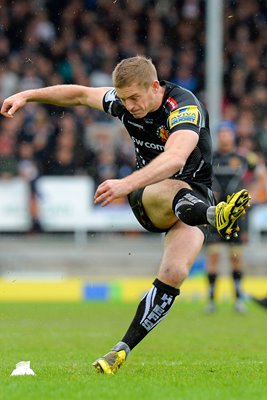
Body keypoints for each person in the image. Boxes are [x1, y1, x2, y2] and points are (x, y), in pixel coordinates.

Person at [0, 56, 250, 375]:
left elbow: (175, 157)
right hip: (148, 194)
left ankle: (120, 350)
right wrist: (27, 95)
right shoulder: (122, 101)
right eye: (123, 99)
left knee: (174, 272)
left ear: (154, 87)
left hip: (191, 197)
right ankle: (214, 215)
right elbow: (79, 94)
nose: (129, 106)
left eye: (134, 97)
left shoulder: (184, 107)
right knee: (171, 188)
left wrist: (123, 182)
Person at [204, 122, 252, 314]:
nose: (224, 136)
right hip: (215, 213)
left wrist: (253, 193)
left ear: (232, 135)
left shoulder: (243, 158)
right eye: (221, 133)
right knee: (213, 256)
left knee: (236, 257)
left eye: (227, 133)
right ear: (219, 136)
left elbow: (260, 174)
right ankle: (211, 300)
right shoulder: (210, 157)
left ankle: (238, 299)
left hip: (237, 216)